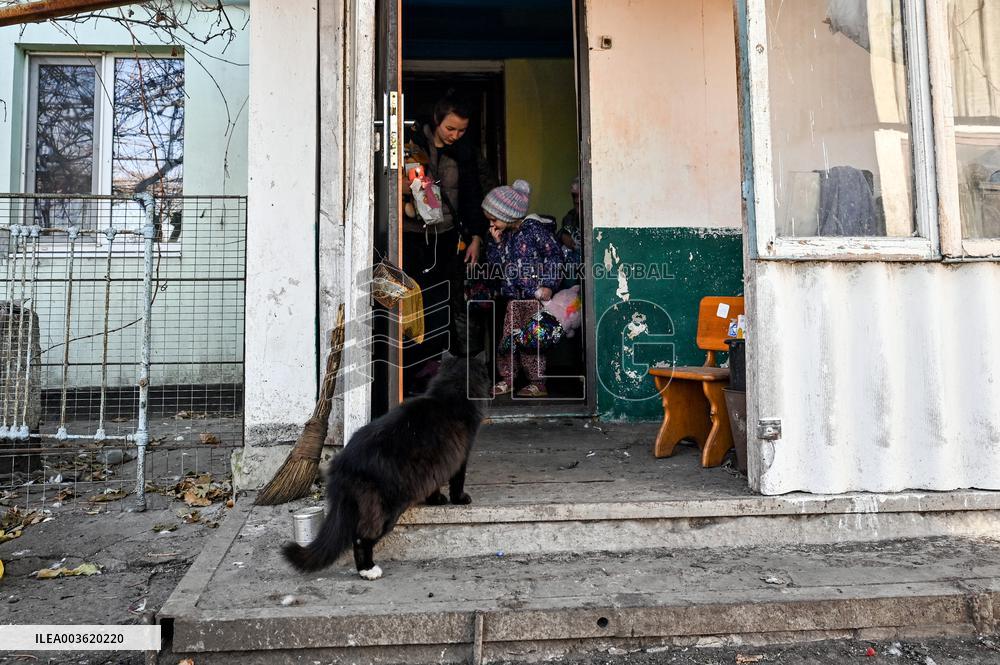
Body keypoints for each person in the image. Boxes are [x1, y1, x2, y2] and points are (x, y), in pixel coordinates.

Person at [401, 94, 488, 393]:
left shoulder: (464, 153)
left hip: (448, 235)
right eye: (451, 128)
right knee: (412, 302)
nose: (455, 135)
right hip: (411, 235)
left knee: (441, 301)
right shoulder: (410, 143)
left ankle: (432, 369)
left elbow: (471, 195)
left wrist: (475, 235)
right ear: (437, 120)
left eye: (461, 130)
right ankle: (408, 371)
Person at [484, 179, 565, 398]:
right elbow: (496, 265)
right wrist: (497, 244)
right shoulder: (503, 235)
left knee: (533, 341)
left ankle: (538, 383)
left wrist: (548, 284)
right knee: (508, 340)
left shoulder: (534, 230)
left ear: (510, 215)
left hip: (534, 298)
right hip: (512, 299)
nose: (491, 224)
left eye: (494, 219)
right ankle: (508, 378)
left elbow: (555, 255)